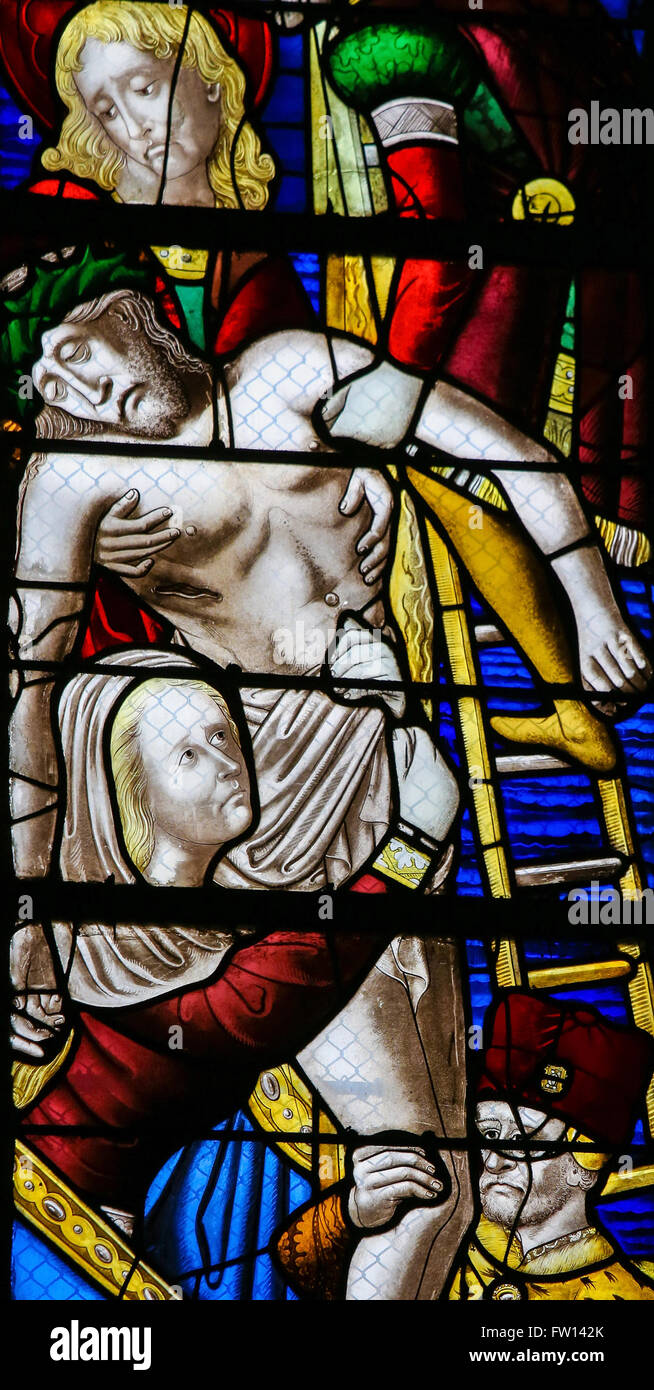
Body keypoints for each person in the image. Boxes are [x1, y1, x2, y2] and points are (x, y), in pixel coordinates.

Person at [274, 991, 654, 1301]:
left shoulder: (635, 1292)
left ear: (587, 1161)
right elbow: (302, 1270)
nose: (494, 1161)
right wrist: (355, 1212)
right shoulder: (434, 1236)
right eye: (486, 1135)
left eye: (523, 1140)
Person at [39, 1, 274, 209]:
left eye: (144, 90)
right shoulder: (90, 237)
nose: (134, 130)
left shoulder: (252, 229)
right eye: (108, 112)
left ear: (208, 78)